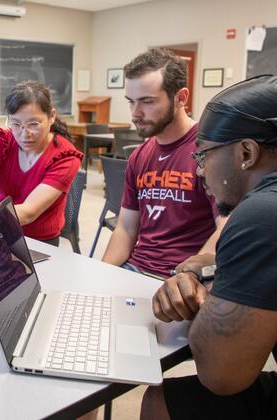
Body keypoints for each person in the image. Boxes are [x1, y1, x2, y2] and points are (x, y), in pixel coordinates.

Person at [141, 75, 277, 419]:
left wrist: (209, 294)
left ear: (247, 153)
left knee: (161, 400)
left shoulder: (261, 214)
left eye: (204, 155)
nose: (200, 171)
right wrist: (200, 269)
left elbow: (220, 375)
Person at [101, 48, 225, 278]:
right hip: (136, 269)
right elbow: (126, 229)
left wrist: (189, 277)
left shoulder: (210, 153)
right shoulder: (139, 155)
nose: (135, 113)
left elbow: (226, 228)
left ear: (181, 98)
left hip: (181, 279)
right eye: (131, 102)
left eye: (147, 102)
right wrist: (101, 273)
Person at [0, 80, 83, 246]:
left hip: (39, 242)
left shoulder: (65, 156)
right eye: (16, 124)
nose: (24, 134)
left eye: (33, 124)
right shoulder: (1, 141)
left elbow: (29, 212)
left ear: (52, 116)